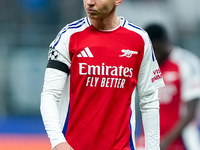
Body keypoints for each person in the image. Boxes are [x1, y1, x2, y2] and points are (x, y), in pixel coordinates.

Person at [40, 0, 164, 150]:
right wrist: (58, 141)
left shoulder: (139, 39)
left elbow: (149, 100)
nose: (89, 3)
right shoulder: (68, 36)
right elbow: (50, 95)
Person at [143, 24, 200, 150]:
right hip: (153, 141)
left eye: (156, 49)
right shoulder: (148, 65)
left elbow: (190, 112)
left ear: (165, 41)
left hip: (182, 142)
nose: (154, 54)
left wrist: (166, 141)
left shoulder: (186, 63)